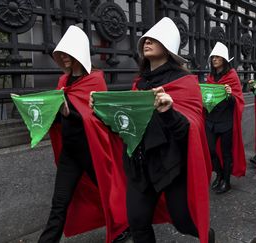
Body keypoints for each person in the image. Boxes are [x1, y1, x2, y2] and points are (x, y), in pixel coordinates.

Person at [93, 17, 214, 243]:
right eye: (145, 40)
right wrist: (100, 112)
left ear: (167, 47)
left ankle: (208, 236)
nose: (146, 42)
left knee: (184, 221)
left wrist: (168, 111)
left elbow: (191, 129)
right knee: (138, 222)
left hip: (171, 164)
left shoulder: (186, 82)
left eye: (153, 39)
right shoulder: (139, 83)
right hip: (140, 164)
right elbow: (127, 124)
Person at [39, 26, 129, 243]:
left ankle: (126, 226)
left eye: (68, 52)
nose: (63, 57)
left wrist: (73, 114)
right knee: (59, 202)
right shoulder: (63, 82)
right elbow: (59, 118)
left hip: (92, 151)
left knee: (110, 192)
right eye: (61, 53)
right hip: (70, 154)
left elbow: (99, 118)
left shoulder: (96, 80)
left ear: (78, 52)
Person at [205, 42, 246, 194]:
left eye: (217, 57)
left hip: (226, 121)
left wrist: (230, 94)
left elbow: (238, 98)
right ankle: (220, 174)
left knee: (226, 152)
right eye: (213, 57)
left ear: (224, 59)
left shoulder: (232, 76)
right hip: (210, 119)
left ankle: (226, 181)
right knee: (210, 149)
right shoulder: (210, 76)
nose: (214, 59)